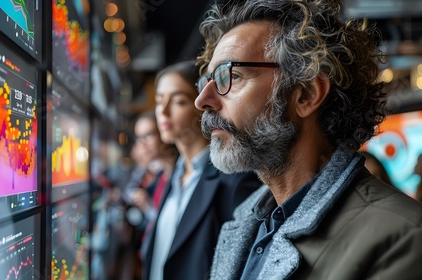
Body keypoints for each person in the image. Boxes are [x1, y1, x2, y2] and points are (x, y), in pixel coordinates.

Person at [193, 0, 422, 279]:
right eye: (206, 81)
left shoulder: (401, 236)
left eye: (230, 76)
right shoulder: (245, 222)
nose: (202, 100)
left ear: (306, 95)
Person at [140, 60, 262, 280]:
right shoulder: (174, 177)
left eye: (178, 101)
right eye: (159, 101)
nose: (163, 112)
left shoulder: (235, 182)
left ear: (202, 105)